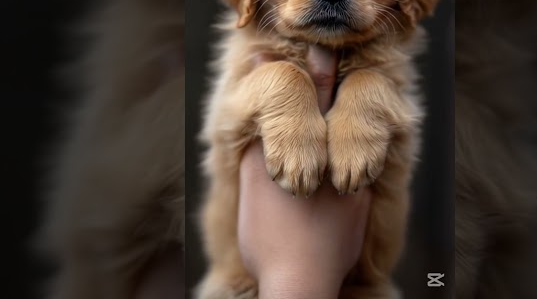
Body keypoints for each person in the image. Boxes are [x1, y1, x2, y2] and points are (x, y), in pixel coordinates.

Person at [134, 45, 372, 299]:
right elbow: (231, 115)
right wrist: (295, 271)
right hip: (238, 286)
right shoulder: (254, 50)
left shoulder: (377, 73)